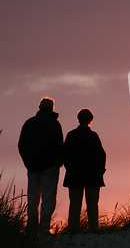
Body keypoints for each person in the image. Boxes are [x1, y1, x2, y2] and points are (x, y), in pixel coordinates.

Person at [18, 97, 63, 236]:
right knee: (48, 197)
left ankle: (31, 229)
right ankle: (44, 229)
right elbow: (58, 145)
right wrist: (58, 162)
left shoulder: (29, 123)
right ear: (52, 108)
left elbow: (21, 144)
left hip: (32, 167)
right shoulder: (54, 124)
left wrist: (27, 161)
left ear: (39, 108)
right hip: (49, 167)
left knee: (32, 198)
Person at [63, 108, 106, 233]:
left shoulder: (71, 135)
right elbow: (101, 155)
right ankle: (93, 228)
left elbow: (65, 154)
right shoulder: (93, 136)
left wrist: (69, 168)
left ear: (78, 119)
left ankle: (72, 229)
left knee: (75, 203)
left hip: (74, 174)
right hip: (92, 175)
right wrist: (100, 170)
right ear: (90, 120)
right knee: (92, 203)